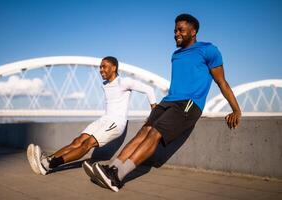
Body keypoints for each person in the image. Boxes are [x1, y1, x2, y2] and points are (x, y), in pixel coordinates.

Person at [90, 14, 242, 192]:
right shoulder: (175, 55)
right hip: (168, 101)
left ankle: (118, 177)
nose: (176, 33)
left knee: (155, 133)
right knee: (143, 132)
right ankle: (112, 168)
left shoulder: (209, 50)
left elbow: (221, 82)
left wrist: (236, 110)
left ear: (193, 32)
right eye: (175, 30)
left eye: (181, 30)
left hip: (188, 104)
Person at [27, 56, 157, 175]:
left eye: (104, 66)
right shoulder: (105, 84)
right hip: (104, 120)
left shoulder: (124, 82)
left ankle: (49, 164)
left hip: (116, 123)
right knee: (77, 141)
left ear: (114, 68)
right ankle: (47, 160)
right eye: (100, 67)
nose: (101, 70)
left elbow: (149, 90)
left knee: (86, 144)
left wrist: (154, 113)